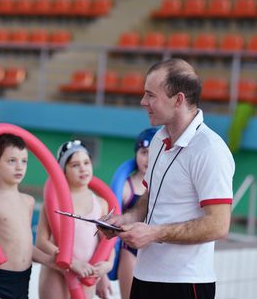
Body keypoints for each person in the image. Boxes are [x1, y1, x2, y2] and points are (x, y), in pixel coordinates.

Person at [100, 58, 235, 299]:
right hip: (145, 275)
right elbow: (151, 196)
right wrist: (127, 217)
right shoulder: (158, 141)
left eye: (151, 95)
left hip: (185, 282)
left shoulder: (210, 150)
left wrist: (154, 233)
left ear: (178, 99)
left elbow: (219, 225)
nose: (143, 102)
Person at [0, 133, 58, 299]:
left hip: (22, 282)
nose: (19, 167)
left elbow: (24, 245)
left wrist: (49, 260)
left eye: (24, 161)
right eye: (12, 161)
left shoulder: (28, 201)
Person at [36, 140, 114, 299]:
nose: (83, 168)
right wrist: (70, 262)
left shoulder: (100, 204)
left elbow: (106, 242)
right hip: (57, 271)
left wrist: (107, 266)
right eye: (75, 165)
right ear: (63, 170)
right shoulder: (53, 201)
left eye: (86, 162)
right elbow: (41, 241)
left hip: (86, 272)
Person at [117, 127, 157, 299]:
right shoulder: (126, 187)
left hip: (157, 252)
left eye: (153, 152)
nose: (147, 158)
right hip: (130, 252)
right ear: (136, 154)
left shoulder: (164, 185)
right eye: (143, 152)